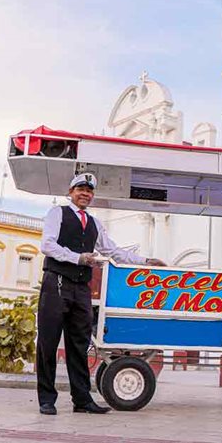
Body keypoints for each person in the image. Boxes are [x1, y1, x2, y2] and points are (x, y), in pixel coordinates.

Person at [37, 173, 167, 415]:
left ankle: (82, 400)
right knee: (48, 342)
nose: (85, 193)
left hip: (81, 287)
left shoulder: (95, 223)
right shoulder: (58, 213)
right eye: (80, 189)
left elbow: (114, 252)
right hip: (57, 282)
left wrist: (146, 261)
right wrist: (78, 257)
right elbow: (47, 245)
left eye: (89, 190)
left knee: (80, 344)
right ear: (71, 191)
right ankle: (47, 399)